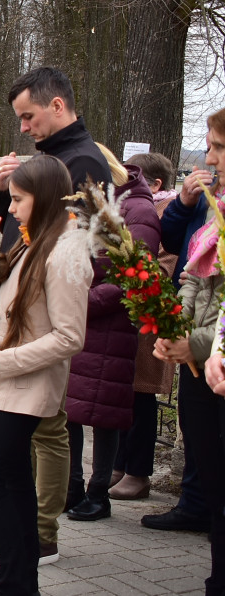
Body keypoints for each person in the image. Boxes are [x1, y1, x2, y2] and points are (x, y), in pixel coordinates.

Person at [0, 66, 113, 560]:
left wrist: (24, 317)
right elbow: (25, 241)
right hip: (20, 313)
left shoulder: (82, 161)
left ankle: (37, 533)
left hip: (43, 324)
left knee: (45, 431)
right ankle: (18, 529)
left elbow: (80, 250)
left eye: (28, 116)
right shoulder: (51, 159)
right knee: (17, 447)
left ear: (56, 105)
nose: (23, 128)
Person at [0, 155, 92, 596]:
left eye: (19, 199)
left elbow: (69, 337)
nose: (12, 207)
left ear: (42, 198)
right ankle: (18, 580)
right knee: (14, 477)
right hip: (8, 382)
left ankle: (14, 579)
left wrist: (6, 361)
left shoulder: (64, 251)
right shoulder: (33, 241)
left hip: (27, 384)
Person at [65, 145, 160, 522]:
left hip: (109, 323)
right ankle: (71, 486)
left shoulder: (137, 209)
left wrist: (84, 301)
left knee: (103, 413)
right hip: (79, 317)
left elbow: (136, 272)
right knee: (71, 408)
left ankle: (97, 491)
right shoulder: (92, 203)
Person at [154, 110, 225, 594]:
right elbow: (193, 278)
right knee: (214, 477)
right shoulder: (213, 205)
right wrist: (175, 329)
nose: (209, 157)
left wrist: (195, 341)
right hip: (199, 360)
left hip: (214, 356)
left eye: (217, 146)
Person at [108, 152, 177, 501]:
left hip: (147, 320)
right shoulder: (137, 211)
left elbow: (162, 266)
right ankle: (119, 466)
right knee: (124, 395)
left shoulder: (165, 215)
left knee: (142, 396)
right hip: (128, 316)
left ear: (154, 184)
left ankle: (138, 472)